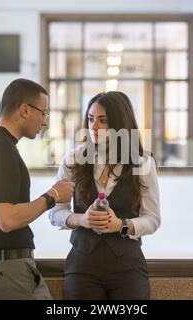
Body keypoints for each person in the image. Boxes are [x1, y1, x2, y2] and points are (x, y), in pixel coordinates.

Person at [0, 78, 75, 300]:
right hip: (8, 271)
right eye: (43, 113)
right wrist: (53, 195)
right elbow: (7, 220)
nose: (44, 122)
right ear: (25, 110)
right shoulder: (2, 151)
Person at [49, 91, 161, 300]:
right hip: (83, 264)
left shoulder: (142, 163)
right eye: (91, 119)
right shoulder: (73, 159)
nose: (94, 127)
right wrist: (81, 219)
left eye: (103, 120)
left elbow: (153, 219)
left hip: (127, 266)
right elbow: (55, 212)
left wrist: (121, 225)